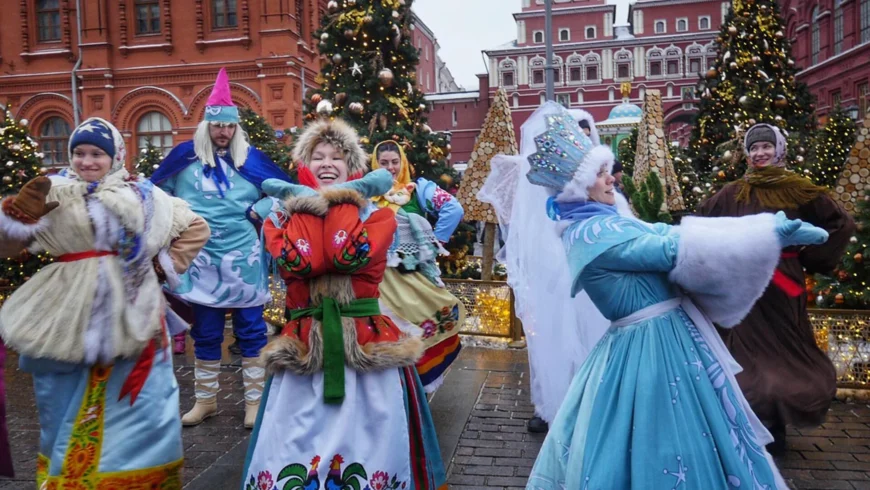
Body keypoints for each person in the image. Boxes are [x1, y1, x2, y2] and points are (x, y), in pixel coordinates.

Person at [520, 103, 829, 489]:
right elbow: (671, 248)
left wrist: (762, 228)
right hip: (649, 350)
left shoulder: (603, 222)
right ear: (577, 186)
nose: (611, 178)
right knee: (664, 441)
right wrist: (768, 234)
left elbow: (665, 233)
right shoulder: (591, 234)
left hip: (661, 340)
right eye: (600, 173)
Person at [0, 117, 209, 486]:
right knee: (61, 395)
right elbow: (10, 249)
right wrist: (18, 218)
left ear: (114, 156)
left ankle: (134, 475)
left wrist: (163, 267)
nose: (86, 161)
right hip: (65, 307)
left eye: (97, 153)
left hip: (132, 308)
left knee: (139, 402)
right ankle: (70, 474)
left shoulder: (143, 195)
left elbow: (196, 227)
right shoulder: (54, 191)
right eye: (79, 153)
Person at [242, 118, 447, 490]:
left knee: (372, 445)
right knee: (294, 443)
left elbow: (343, 256)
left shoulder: (381, 217)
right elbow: (303, 262)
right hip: (304, 349)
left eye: (336, 157)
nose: (326, 163)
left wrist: (342, 199)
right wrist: (307, 205)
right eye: (317, 156)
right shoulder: (281, 218)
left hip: (367, 346)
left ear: (353, 167)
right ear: (305, 165)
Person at [695, 123, 855, 454]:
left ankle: (776, 422)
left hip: (783, 286)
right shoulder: (734, 192)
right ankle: (755, 424)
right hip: (745, 286)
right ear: (746, 153)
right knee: (746, 354)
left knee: (785, 352)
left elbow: (840, 223)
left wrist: (809, 257)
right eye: (754, 148)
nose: (760, 153)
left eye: (766, 146)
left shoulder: (798, 189)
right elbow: (702, 223)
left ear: (779, 149)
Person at [151, 68, 294, 428]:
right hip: (200, 259)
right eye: (218, 125)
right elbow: (156, 195)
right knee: (206, 331)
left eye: (230, 126)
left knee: (251, 331)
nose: (223, 132)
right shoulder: (184, 157)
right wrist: (178, 220)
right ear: (207, 126)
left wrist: (259, 209)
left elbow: (283, 194)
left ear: (236, 128)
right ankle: (206, 401)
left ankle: (254, 403)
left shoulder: (251, 159)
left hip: (244, 257)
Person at [370, 141, 466, 393]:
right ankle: (391, 387)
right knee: (385, 331)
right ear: (375, 164)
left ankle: (416, 385)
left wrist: (435, 241)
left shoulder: (418, 189)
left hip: (410, 275)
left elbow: (453, 209)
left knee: (416, 323)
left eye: (394, 162)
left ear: (402, 162)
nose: (390, 168)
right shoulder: (367, 193)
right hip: (376, 279)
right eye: (383, 163)